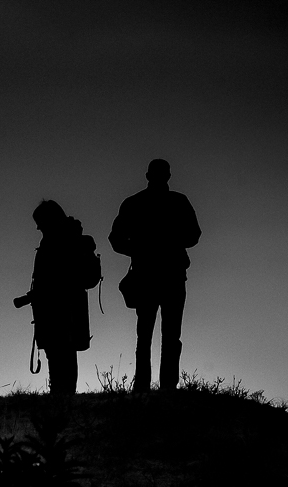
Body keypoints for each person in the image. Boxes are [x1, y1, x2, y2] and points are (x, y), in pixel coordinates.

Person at [109, 159, 201, 393]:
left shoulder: (135, 203)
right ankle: (164, 386)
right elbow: (193, 235)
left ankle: (147, 386)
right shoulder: (177, 201)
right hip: (165, 275)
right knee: (166, 335)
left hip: (153, 274)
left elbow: (116, 239)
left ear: (148, 175)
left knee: (149, 334)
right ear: (167, 176)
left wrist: (140, 248)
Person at [20, 200, 97, 397]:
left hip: (63, 310)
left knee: (62, 356)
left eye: (40, 223)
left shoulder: (62, 241)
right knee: (60, 356)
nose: (38, 227)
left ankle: (62, 397)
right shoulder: (64, 238)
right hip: (57, 309)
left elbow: (57, 277)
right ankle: (61, 396)